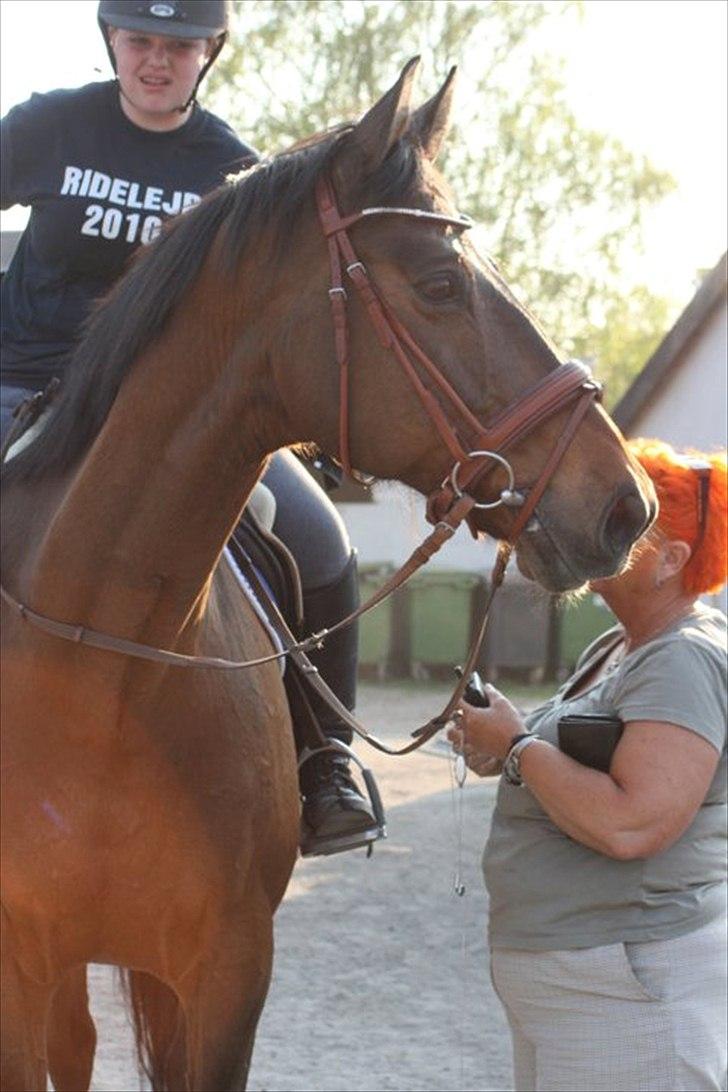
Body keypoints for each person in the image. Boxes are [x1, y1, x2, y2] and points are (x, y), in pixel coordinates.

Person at [0, 0, 379, 856]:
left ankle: (326, 764)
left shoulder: (229, 168)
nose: (157, 60)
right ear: (112, 42)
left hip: (166, 415)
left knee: (323, 547)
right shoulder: (45, 128)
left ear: (209, 52)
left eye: (179, 45)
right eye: (141, 40)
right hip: (23, 386)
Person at [448, 438, 727, 1092]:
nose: (585, 524)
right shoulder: (622, 645)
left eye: (618, 519)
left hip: (626, 997)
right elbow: (571, 765)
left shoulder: (682, 659)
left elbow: (633, 823)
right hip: (587, 989)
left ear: (673, 562)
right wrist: (502, 750)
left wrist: (518, 745)